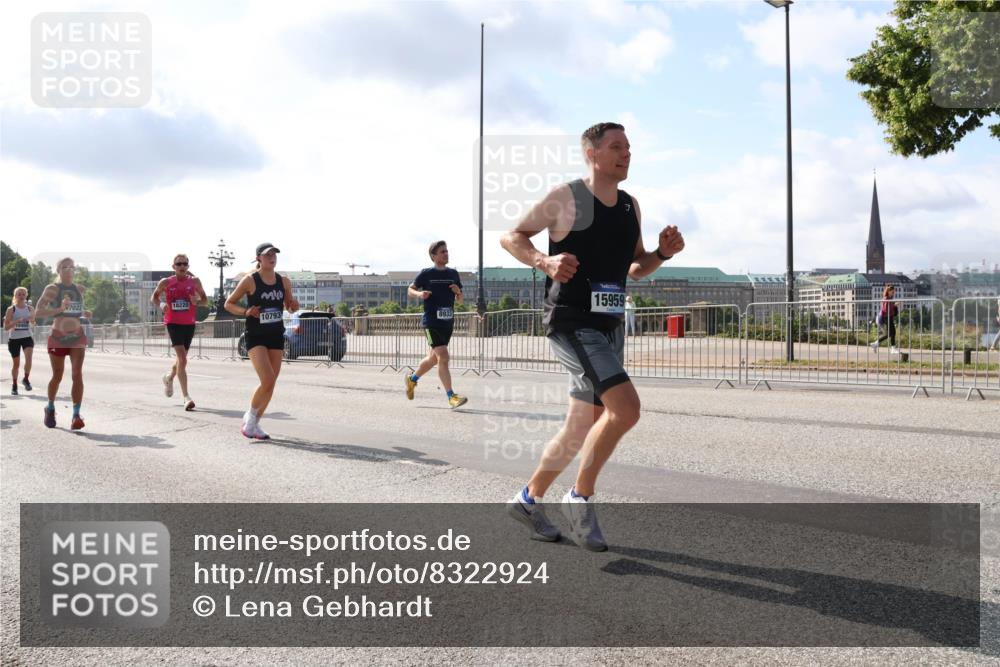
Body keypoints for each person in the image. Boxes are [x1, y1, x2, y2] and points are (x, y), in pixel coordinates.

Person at [499, 122, 685, 551]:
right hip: (572, 322)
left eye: (629, 147)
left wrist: (661, 253)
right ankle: (579, 498)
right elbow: (512, 236)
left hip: (608, 325)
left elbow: (634, 269)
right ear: (592, 154)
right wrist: (544, 262)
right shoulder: (567, 197)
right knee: (627, 410)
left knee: (579, 428)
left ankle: (527, 501)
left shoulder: (629, 207)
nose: (626, 154)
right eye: (616, 147)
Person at [225, 244, 299, 439]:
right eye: (268, 254)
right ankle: (250, 416)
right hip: (256, 335)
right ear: (259, 258)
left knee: (271, 383)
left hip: (276, 334)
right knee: (266, 379)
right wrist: (246, 312)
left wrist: (293, 306)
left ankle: (256, 424)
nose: (272, 257)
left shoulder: (284, 281)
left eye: (274, 254)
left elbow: (289, 307)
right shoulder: (250, 281)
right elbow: (228, 304)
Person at [404, 241, 468, 408]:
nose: (446, 254)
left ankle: (412, 380)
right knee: (444, 357)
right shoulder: (426, 274)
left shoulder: (454, 273)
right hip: (431, 322)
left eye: (447, 251)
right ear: (433, 256)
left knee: (433, 359)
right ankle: (451, 396)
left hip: (447, 322)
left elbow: (460, 301)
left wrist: (458, 292)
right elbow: (409, 289)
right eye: (442, 252)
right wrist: (419, 294)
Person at [34, 258, 92, 429]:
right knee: (57, 375)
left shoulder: (80, 289)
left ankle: (76, 415)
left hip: (77, 337)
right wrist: (59, 309)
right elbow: (38, 312)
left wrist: (84, 313)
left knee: (77, 374)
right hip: (57, 337)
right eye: (65, 267)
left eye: (72, 267)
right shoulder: (52, 289)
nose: (69, 270)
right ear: (58, 270)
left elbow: (75, 312)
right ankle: (50, 407)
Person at [152, 253, 208, 411]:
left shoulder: (195, 281)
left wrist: (197, 300)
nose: (182, 266)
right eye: (179, 264)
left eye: (185, 264)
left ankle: (169, 377)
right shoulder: (166, 282)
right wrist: (162, 305)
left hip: (189, 324)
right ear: (173, 267)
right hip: (173, 323)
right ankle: (186, 397)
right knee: (183, 359)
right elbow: (154, 298)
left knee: (181, 360)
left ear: (188, 266)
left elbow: (205, 301)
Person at [4, 286, 35, 395]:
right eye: (19, 294)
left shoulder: (30, 309)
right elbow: (6, 328)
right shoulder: (11, 309)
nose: (21, 296)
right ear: (15, 296)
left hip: (27, 337)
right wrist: (16, 321)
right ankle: (14, 385)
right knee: (16, 364)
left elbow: (34, 324)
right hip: (14, 339)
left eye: (23, 294)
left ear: (26, 295)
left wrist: (31, 322)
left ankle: (26, 379)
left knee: (29, 358)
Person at [870, 285, 899, 354]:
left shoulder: (889, 298)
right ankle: (892, 348)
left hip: (889, 317)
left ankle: (876, 343)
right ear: (888, 291)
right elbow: (885, 310)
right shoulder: (886, 299)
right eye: (892, 291)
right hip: (887, 317)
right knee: (892, 333)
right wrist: (894, 305)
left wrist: (894, 305)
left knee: (890, 333)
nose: (893, 293)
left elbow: (888, 309)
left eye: (894, 291)